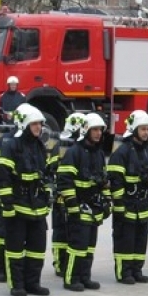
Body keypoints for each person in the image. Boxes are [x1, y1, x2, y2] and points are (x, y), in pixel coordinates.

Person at [0, 103, 52, 296]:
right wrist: (7, 203)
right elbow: (1, 174)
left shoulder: (39, 145)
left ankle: (33, 283)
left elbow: (46, 173)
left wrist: (47, 193)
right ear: (24, 124)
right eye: (34, 124)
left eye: (40, 124)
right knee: (15, 249)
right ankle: (17, 285)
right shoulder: (11, 145)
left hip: (37, 207)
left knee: (37, 248)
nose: (38, 128)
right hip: (17, 206)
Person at [57, 113, 109, 291]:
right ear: (86, 130)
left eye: (100, 130)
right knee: (77, 245)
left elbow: (104, 179)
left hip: (94, 207)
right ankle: (71, 278)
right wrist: (72, 205)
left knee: (89, 246)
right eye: (94, 130)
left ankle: (85, 277)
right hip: (78, 206)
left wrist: (107, 199)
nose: (98, 133)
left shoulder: (99, 153)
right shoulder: (74, 152)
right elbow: (64, 179)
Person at [107, 110, 148, 284]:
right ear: (134, 130)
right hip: (127, 205)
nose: (146, 133)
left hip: (142, 205)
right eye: (143, 129)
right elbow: (116, 181)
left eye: (147, 129)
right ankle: (124, 272)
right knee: (125, 240)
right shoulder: (122, 152)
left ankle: (137, 269)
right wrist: (119, 205)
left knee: (140, 240)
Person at [50, 114, 85, 278]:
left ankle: (67, 263)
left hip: (72, 197)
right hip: (61, 198)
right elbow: (50, 169)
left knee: (68, 232)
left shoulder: (73, 147)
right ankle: (59, 263)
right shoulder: (61, 147)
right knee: (60, 232)